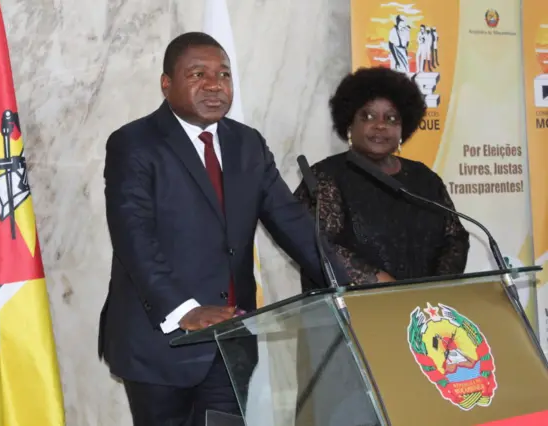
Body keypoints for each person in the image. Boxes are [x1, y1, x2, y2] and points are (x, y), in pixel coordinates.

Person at [98, 31, 349, 426]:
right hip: (160, 341)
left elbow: (291, 221)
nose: (215, 85)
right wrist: (185, 310)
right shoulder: (135, 143)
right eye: (198, 74)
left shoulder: (247, 144)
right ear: (167, 84)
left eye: (224, 74)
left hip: (232, 340)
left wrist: (346, 286)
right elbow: (134, 238)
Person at [294, 67, 469, 288]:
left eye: (392, 118)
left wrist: (436, 288)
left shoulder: (424, 178)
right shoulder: (325, 177)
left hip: (425, 312)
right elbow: (315, 244)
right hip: (352, 312)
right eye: (368, 116)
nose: (380, 125)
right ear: (350, 124)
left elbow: (455, 238)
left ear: (403, 129)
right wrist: (382, 284)